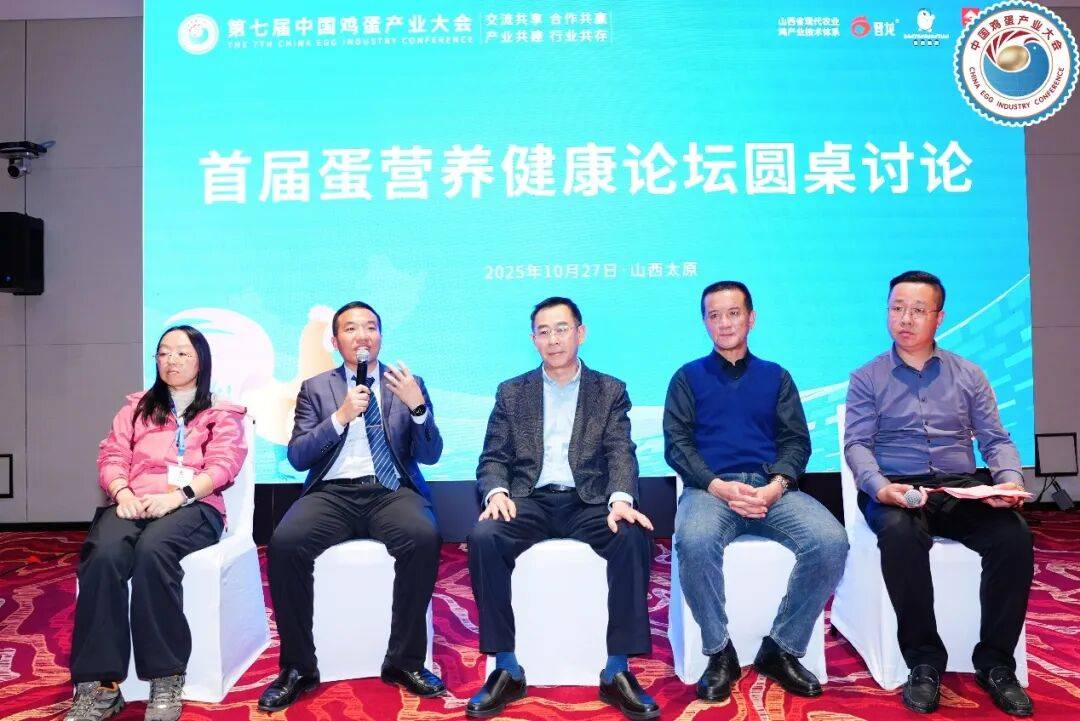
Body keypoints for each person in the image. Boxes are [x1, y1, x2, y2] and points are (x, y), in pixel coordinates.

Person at [845, 270, 1034, 716]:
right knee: (900, 534)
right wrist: (881, 488)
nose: (904, 319)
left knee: (1013, 537)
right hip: (897, 486)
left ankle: (995, 664)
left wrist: (1009, 481)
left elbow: (996, 439)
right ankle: (924, 661)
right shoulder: (867, 377)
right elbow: (857, 445)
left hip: (959, 488)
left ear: (939, 317)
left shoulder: (969, 374)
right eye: (896, 308)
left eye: (917, 310)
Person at [465, 297, 659, 720]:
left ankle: (617, 669)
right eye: (544, 331)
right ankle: (506, 666)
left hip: (587, 499)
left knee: (631, 536)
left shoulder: (609, 390)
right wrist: (496, 493)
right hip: (528, 498)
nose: (553, 339)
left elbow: (620, 452)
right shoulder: (512, 392)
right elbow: (493, 457)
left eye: (562, 329)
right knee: (484, 537)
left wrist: (620, 498)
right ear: (533, 339)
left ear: (580, 333)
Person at [664, 280, 849, 702]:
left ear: (751, 318)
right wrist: (716, 485)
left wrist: (776, 486)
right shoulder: (687, 378)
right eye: (714, 315)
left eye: (733, 313)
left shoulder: (775, 377)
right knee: (693, 540)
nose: (724, 323)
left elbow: (796, 442)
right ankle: (719, 653)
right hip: (710, 490)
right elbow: (678, 445)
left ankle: (781, 648)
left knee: (831, 540)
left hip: (771, 488)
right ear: (704, 322)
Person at [259, 301, 445, 711]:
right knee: (285, 545)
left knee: (423, 537)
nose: (362, 336)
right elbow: (298, 457)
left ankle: (405, 662)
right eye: (351, 328)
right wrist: (340, 417)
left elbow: (430, 454)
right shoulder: (316, 388)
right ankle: (297, 668)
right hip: (332, 493)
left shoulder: (406, 383)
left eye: (370, 327)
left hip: (391, 489)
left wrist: (417, 408)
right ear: (334, 340)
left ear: (380, 336)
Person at [66, 325, 248, 721]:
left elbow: (224, 465)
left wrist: (177, 497)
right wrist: (123, 494)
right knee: (103, 554)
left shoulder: (221, 413)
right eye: (164, 353)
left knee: (153, 552)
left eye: (182, 353)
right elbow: (111, 457)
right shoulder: (134, 409)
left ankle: (166, 677)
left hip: (193, 505)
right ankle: (100, 685)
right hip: (135, 501)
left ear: (201, 361)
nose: (171, 360)